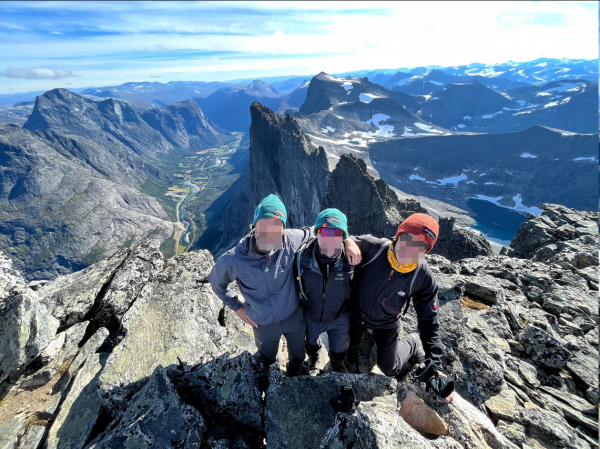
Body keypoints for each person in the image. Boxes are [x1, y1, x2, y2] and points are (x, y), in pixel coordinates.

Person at [208, 194, 361, 377]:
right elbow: (217, 284)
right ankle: (270, 381)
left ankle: (294, 376)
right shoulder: (233, 259)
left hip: (293, 317)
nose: (270, 232)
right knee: (267, 358)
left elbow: (323, 228)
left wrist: (348, 240)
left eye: (276, 226)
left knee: (298, 356)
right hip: (262, 322)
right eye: (264, 224)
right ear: (255, 225)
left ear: (283, 228)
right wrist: (236, 307)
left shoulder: (291, 240)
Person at [345, 213, 455, 402]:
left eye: (420, 246)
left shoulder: (422, 277)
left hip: (387, 323)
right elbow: (334, 236)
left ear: (426, 251)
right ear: (398, 235)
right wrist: (347, 240)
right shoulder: (374, 248)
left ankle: (412, 342)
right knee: (345, 351)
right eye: (408, 240)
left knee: (389, 368)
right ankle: (352, 350)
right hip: (356, 314)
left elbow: (429, 321)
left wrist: (436, 365)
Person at [295, 208, 354, 373]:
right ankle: (314, 358)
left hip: (339, 317)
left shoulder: (351, 261)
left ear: (343, 237)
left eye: (337, 233)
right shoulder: (302, 257)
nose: (330, 238)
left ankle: (336, 366)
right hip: (312, 315)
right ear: (317, 233)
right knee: (311, 343)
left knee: (339, 350)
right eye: (325, 231)